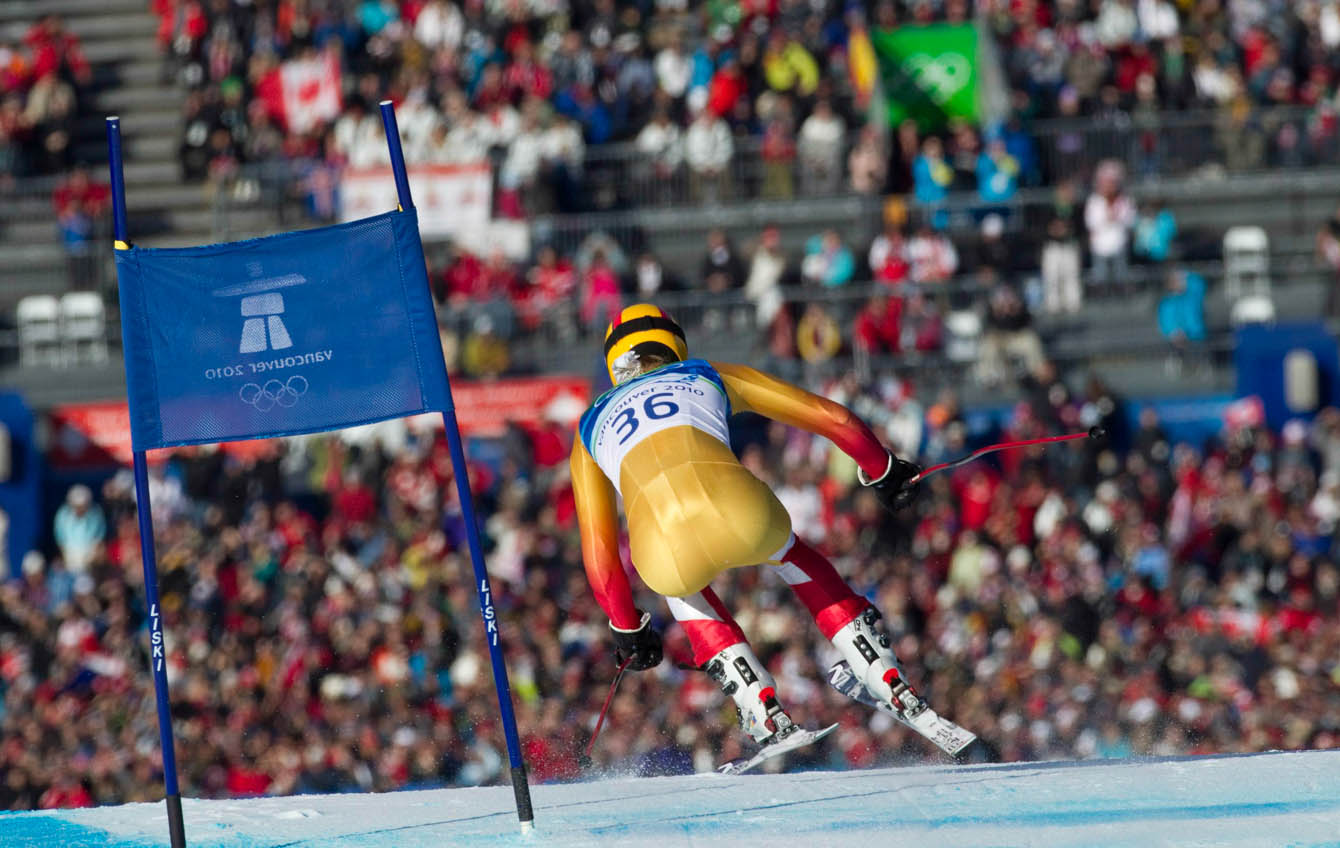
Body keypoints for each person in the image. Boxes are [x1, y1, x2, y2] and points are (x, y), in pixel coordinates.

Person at [570, 304, 932, 752]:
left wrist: (626, 626)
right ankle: (881, 670)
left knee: (679, 588)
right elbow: (830, 417)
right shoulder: (708, 373)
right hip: (744, 513)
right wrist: (882, 468)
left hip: (662, 549)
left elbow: (600, 557)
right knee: (792, 555)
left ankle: (758, 705)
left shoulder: (588, 428)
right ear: (673, 342)